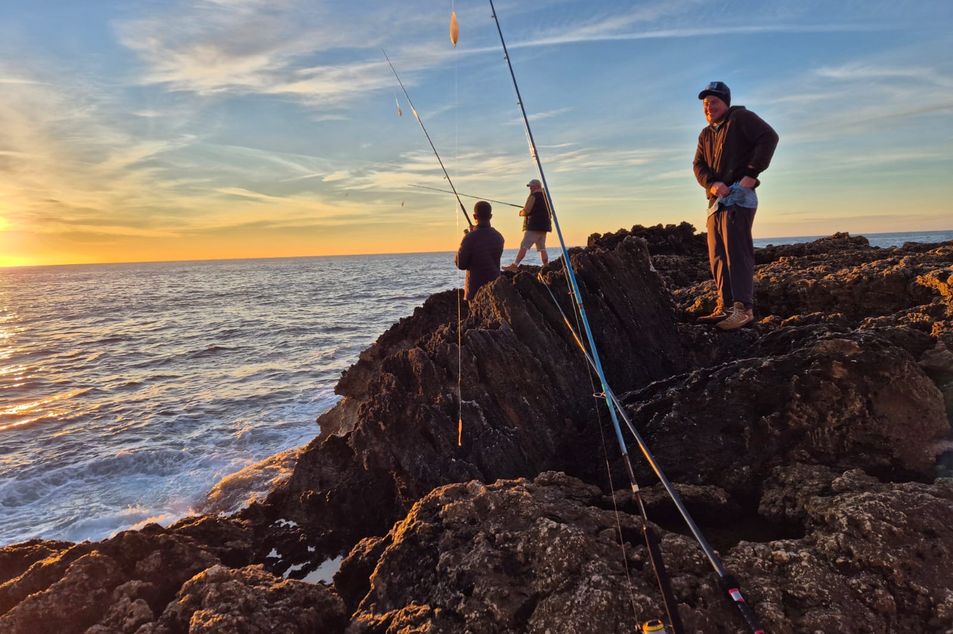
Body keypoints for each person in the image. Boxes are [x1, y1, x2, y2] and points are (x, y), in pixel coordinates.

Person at [693, 81, 779, 330]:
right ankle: (725, 306)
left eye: (714, 102)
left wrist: (751, 175)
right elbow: (698, 165)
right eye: (705, 104)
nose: (709, 107)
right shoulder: (705, 134)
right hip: (716, 201)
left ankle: (743, 309)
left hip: (739, 197)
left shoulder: (740, 117)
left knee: (736, 251)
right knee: (717, 254)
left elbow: (769, 137)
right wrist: (712, 183)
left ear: (725, 103)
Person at [455, 201, 505, 301]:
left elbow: (461, 264)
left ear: (474, 216)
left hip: (474, 292)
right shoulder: (499, 237)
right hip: (495, 288)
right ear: (490, 216)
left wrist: (467, 238)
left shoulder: (470, 238)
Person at [503, 178, 551, 271]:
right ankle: (546, 265)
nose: (530, 188)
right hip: (544, 227)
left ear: (537, 186)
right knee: (542, 247)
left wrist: (521, 212)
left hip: (534, 226)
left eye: (531, 187)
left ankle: (515, 265)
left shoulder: (533, 196)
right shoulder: (546, 197)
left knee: (524, 245)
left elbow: (527, 210)